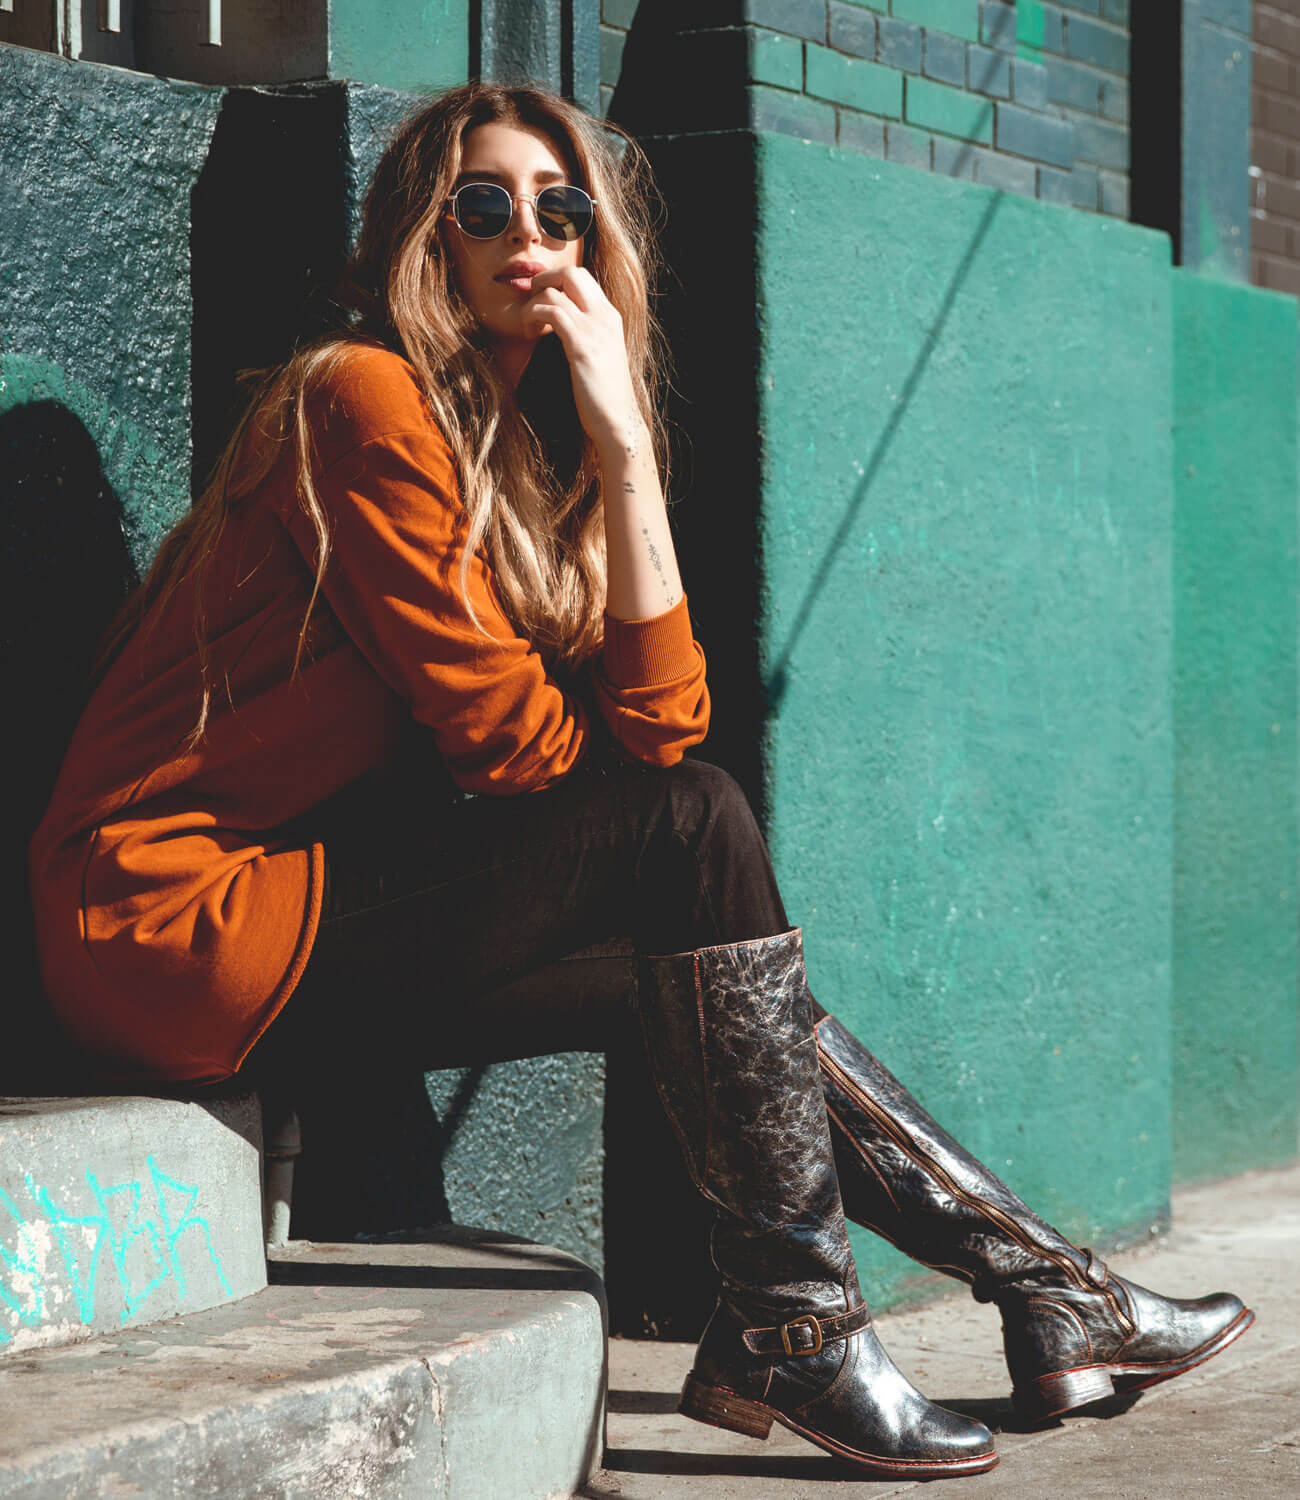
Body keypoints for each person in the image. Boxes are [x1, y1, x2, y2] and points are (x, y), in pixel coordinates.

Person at [28, 82, 1252, 1480]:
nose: (527, 236)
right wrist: (592, 678)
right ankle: (823, 1332)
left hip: (286, 924)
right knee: (696, 832)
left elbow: (660, 721)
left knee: (690, 978)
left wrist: (622, 443)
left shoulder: (514, 455)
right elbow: (528, 753)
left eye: (561, 209)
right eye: (483, 207)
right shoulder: (360, 399)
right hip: (166, 922)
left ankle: (1021, 1293)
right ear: (425, 238)